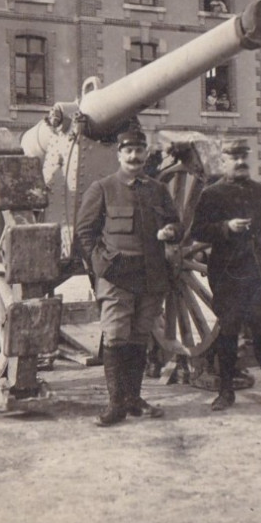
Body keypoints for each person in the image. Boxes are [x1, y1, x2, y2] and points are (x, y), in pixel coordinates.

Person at [75, 125, 183, 427]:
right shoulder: (103, 188)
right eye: (128, 151)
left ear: (146, 153)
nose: (134, 156)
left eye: (139, 150)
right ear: (119, 154)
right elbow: (84, 233)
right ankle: (115, 404)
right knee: (115, 336)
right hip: (117, 276)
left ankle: (134, 398)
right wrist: (102, 266)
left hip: (151, 275)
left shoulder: (157, 190)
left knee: (139, 337)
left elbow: (176, 223)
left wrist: (171, 231)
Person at [190, 139, 261, 409]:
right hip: (228, 273)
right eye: (233, 158)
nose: (240, 162)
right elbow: (198, 231)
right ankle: (225, 392)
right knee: (228, 331)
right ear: (223, 162)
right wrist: (226, 227)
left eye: (243, 157)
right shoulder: (211, 194)